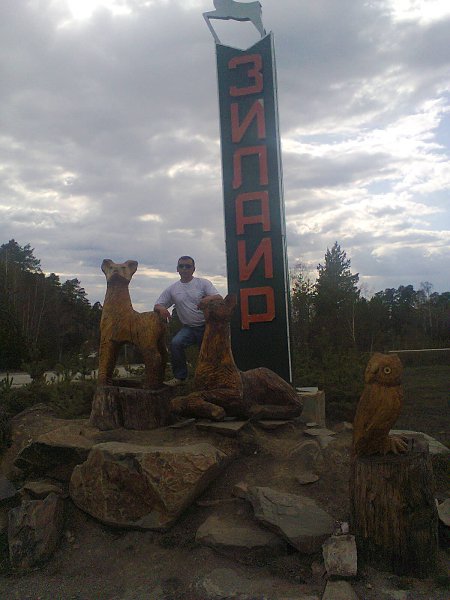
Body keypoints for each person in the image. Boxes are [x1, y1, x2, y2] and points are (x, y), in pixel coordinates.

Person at [154, 256, 222, 386]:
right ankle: (180, 377)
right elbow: (158, 304)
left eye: (188, 266)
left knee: (209, 352)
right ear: (177, 269)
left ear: (193, 269)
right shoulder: (173, 289)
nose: (184, 269)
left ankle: (214, 377)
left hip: (207, 326)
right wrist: (162, 309)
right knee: (176, 344)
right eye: (181, 266)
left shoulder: (203, 283)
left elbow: (218, 297)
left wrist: (207, 299)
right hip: (189, 328)